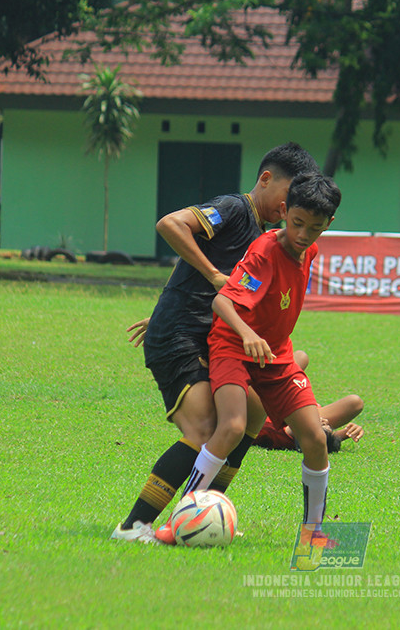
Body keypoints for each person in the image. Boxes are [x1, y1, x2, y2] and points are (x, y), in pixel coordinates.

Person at [111, 143, 320, 545]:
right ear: (265, 180)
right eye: (287, 194)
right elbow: (171, 224)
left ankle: (205, 511)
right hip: (180, 337)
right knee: (206, 428)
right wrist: (210, 277)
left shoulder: (272, 238)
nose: (288, 206)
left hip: (213, 338)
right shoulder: (235, 208)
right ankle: (133, 525)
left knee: (252, 415)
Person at [181, 172, 342, 530]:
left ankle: (313, 532)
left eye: (314, 228)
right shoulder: (265, 253)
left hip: (275, 355)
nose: (303, 235)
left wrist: (264, 340)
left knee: (315, 438)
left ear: (328, 224)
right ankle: (183, 516)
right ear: (285, 211)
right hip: (233, 346)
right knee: (234, 426)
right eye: (297, 223)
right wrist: (248, 333)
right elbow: (223, 303)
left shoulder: (309, 248)